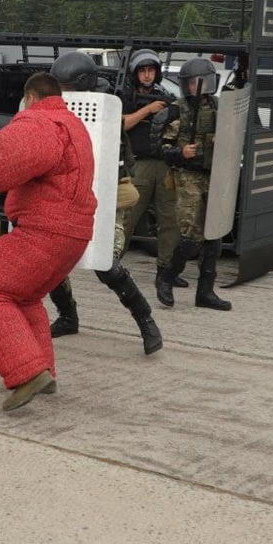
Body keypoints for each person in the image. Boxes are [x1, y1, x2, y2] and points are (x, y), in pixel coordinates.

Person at [0, 73, 97, 411]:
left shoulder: (43, 122)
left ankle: (27, 374)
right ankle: (44, 372)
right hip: (75, 233)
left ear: (29, 97)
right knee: (24, 298)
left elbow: (3, 156)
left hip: (46, 231)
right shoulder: (73, 124)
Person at [46, 52, 163, 355]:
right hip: (72, 194)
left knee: (106, 264)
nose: (63, 94)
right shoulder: (59, 111)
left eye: (67, 88)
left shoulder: (106, 108)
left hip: (109, 192)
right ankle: (68, 316)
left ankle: (146, 321)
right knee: (53, 262)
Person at [158, 58, 233, 312]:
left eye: (198, 83)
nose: (194, 87)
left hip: (214, 174)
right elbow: (161, 147)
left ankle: (205, 292)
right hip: (188, 175)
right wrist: (181, 153)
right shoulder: (177, 110)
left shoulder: (221, 107)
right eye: (190, 83)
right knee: (191, 235)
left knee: (214, 235)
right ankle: (166, 278)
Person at [118, 49, 187, 301]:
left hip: (164, 164)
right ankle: (112, 265)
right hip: (139, 164)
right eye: (142, 71)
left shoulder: (165, 97)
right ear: (135, 74)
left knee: (170, 220)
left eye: (151, 70)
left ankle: (165, 271)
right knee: (128, 218)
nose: (147, 75)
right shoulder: (125, 97)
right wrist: (147, 111)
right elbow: (121, 124)